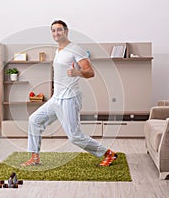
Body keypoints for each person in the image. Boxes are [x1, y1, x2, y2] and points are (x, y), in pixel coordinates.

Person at [21, 20, 117, 167]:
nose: (56, 33)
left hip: (70, 98)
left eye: (59, 30)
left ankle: (107, 153)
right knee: (34, 120)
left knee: (74, 137)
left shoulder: (75, 49)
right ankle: (35, 158)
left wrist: (77, 72)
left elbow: (90, 72)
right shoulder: (58, 51)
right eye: (53, 30)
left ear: (66, 31)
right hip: (57, 98)